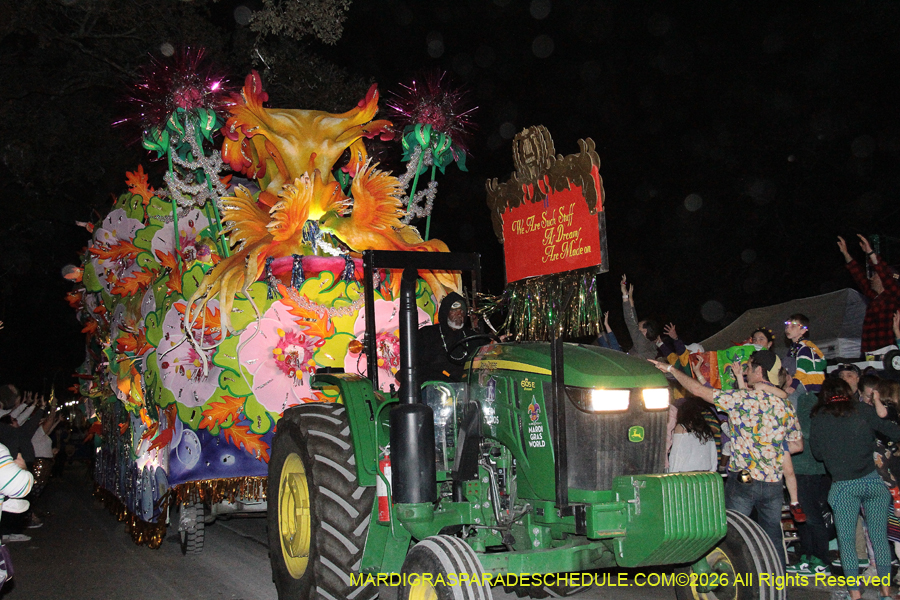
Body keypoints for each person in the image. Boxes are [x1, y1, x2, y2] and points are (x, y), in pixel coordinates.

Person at [651, 350, 802, 566]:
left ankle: (737, 576)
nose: (746, 371)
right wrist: (769, 447)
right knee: (772, 536)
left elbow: (699, 391)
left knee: (733, 533)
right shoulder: (784, 405)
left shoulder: (743, 399)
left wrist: (671, 369)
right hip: (773, 482)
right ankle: (776, 581)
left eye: (748, 367)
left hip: (744, 480)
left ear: (759, 370)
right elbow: (797, 445)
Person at [811, 378, 900, 600]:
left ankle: (855, 594)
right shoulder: (862, 410)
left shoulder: (819, 418)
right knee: (879, 539)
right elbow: (894, 432)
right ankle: (885, 593)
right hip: (872, 482)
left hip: (844, 487)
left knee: (847, 542)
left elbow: (818, 454)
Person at [838, 235, 900, 355]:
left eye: (875, 275)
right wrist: (846, 253)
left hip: (887, 350)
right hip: (870, 350)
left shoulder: (894, 296)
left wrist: (870, 252)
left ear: (883, 279)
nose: (871, 278)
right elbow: (859, 276)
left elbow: (884, 273)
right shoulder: (874, 296)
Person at [417, 292, 479, 383]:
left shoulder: (472, 337)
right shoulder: (426, 334)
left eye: (462, 311)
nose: (459, 314)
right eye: (455, 311)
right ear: (445, 312)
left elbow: (488, 350)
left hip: (464, 388)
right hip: (433, 386)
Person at [667, 396, 720, 473]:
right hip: (704, 472)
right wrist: (713, 471)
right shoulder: (706, 430)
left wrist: (672, 471)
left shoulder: (681, 427)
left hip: (685, 472)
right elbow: (713, 453)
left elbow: (676, 452)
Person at [620, 275, 660, 360]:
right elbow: (633, 319)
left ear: (645, 331)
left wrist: (624, 295)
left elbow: (630, 320)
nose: (637, 327)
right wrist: (630, 298)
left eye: (639, 327)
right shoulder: (652, 342)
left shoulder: (640, 341)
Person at [784, 314, 826, 395]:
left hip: (808, 385)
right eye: (787, 325)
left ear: (803, 330)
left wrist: (793, 385)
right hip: (802, 383)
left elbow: (802, 369)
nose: (788, 328)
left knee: (789, 397)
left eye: (793, 326)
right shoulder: (794, 348)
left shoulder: (804, 347)